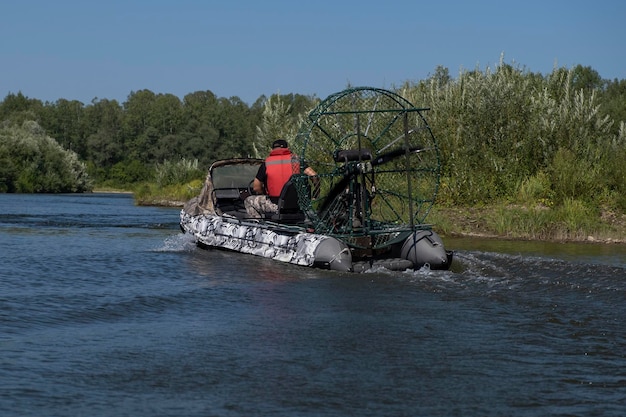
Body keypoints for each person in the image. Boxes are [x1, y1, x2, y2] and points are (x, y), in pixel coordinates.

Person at [245, 139, 317, 218]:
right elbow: (314, 175)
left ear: (272, 149)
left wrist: (264, 194)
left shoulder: (267, 163)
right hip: (298, 204)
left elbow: (256, 187)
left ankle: (260, 225)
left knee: (248, 201)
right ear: (287, 148)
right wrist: (315, 194)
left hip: (277, 205)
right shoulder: (296, 160)